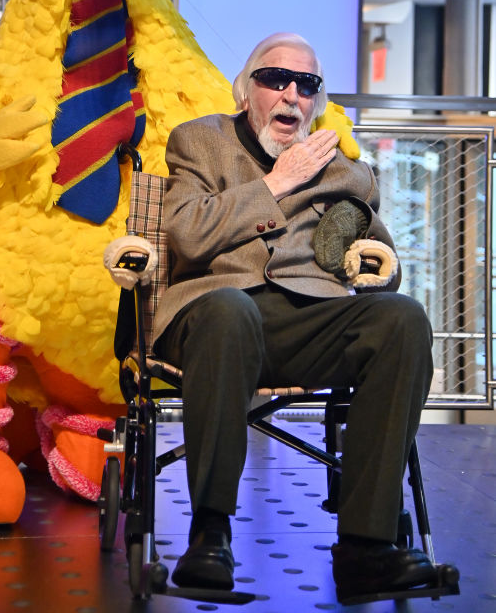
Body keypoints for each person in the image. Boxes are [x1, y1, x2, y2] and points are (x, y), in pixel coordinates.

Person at [152, 32, 449, 602]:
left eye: (305, 85)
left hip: (309, 319)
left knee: (402, 320)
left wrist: (367, 259)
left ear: (316, 101)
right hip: (216, 316)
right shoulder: (200, 142)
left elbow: (384, 267)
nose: (290, 95)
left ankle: (366, 547)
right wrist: (275, 185)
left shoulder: (345, 172)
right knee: (230, 310)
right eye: (275, 79)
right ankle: (210, 533)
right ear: (246, 91)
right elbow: (186, 236)